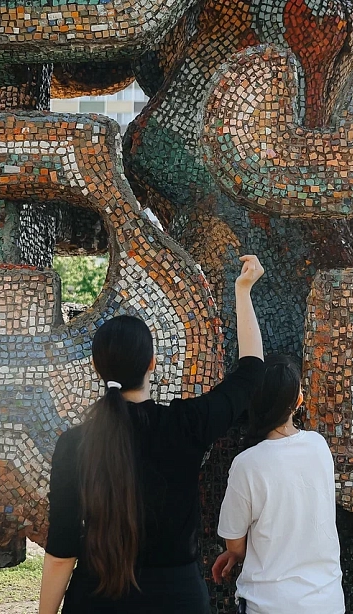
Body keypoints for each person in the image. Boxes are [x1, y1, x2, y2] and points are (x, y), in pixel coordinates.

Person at [39, 255, 266, 614]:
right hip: (178, 600)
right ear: (151, 363)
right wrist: (243, 290)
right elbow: (251, 372)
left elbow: (61, 553)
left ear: (97, 369)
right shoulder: (185, 424)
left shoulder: (74, 444)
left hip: (95, 601)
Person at [212, 355, 344, 614]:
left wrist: (236, 553)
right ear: (299, 401)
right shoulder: (319, 446)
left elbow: (234, 544)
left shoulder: (247, 464)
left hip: (269, 604)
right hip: (327, 602)